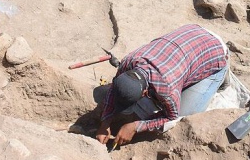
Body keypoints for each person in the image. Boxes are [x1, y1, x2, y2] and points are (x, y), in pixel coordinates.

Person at [96, 24, 229, 147]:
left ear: (144, 93)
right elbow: (114, 87)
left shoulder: (167, 89)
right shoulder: (128, 62)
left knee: (184, 117)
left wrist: (135, 126)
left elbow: (171, 117)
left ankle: (221, 74)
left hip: (215, 50)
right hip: (191, 33)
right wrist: (105, 121)